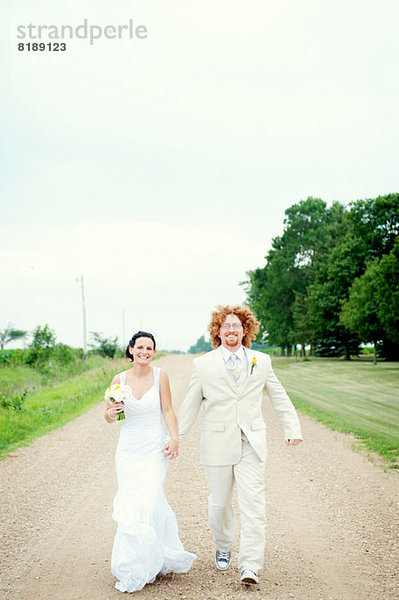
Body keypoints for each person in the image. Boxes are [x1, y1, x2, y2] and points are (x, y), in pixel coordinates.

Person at [177, 305, 302, 586]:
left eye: (236, 325)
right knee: (219, 504)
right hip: (217, 442)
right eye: (225, 326)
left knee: (254, 505)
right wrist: (176, 439)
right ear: (217, 332)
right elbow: (189, 407)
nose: (231, 330)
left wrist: (292, 427)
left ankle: (250, 566)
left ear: (245, 330)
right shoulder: (203, 365)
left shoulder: (262, 361)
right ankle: (223, 544)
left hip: (252, 442)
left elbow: (279, 397)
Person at [105, 330, 196, 593]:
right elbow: (110, 417)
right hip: (128, 450)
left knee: (149, 496)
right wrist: (111, 412)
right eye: (140, 347)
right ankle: (135, 562)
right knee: (132, 500)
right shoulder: (118, 379)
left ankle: (152, 556)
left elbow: (168, 409)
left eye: (150, 348)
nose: (145, 351)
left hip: (154, 448)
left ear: (154, 352)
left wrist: (174, 438)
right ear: (131, 349)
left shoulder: (161, 376)